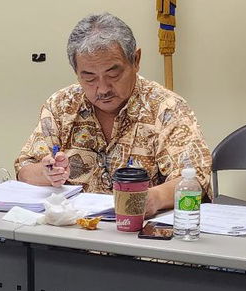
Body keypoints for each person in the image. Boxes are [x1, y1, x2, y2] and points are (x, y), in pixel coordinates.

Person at [15, 12, 211, 214]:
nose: (103, 89)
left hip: (140, 234)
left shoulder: (166, 108)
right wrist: (46, 173)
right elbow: (24, 169)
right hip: (71, 235)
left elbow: (195, 178)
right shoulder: (61, 105)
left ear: (135, 60)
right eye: (89, 78)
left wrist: (154, 198)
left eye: (113, 74)